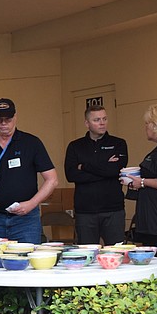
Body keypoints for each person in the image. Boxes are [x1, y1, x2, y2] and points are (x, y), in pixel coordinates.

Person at [0, 98, 58, 244]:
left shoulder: (31, 143)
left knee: (27, 260)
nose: (4, 123)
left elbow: (52, 179)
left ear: (15, 117)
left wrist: (31, 204)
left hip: (26, 219)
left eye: (8, 119)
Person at [63, 104, 128, 245]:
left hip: (113, 210)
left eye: (104, 118)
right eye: (97, 120)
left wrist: (84, 167)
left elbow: (116, 170)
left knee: (116, 255)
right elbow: (71, 175)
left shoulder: (118, 143)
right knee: (86, 256)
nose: (102, 123)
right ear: (87, 123)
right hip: (85, 212)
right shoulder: (75, 146)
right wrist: (105, 167)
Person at [125, 104, 157, 258]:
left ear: (155, 126)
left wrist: (141, 182)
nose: (145, 127)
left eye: (147, 123)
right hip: (152, 220)